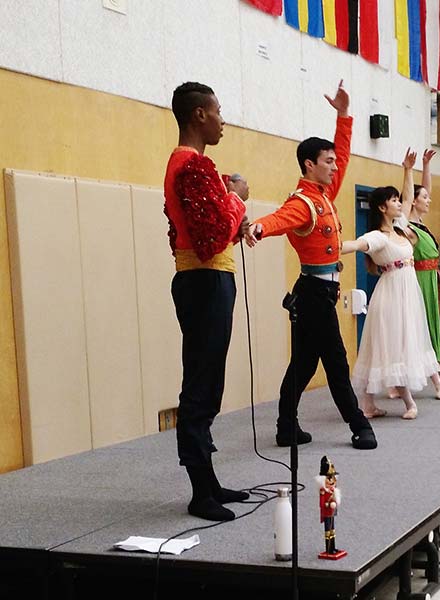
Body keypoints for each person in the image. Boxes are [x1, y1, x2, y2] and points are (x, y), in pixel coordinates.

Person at [247, 80, 376, 450]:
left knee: (303, 365)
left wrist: (343, 116)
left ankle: (286, 426)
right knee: (335, 361)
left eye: (334, 162)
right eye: (328, 162)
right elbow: (279, 219)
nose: (336, 167)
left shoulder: (325, 195)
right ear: (310, 164)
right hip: (315, 295)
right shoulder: (304, 201)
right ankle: (359, 425)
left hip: (317, 293)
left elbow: (345, 155)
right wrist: (257, 227)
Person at [164, 82, 250, 522]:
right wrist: (235, 198)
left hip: (203, 279)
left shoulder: (190, 167)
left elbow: (209, 228)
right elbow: (212, 236)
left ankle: (209, 482)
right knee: (201, 385)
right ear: (199, 115)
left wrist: (229, 205)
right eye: (217, 111)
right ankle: (200, 490)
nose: (222, 119)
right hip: (205, 280)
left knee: (208, 381)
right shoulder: (193, 166)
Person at [341, 156, 440, 420]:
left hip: (407, 292)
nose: (399, 203)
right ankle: (407, 402)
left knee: (400, 341)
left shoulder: (400, 228)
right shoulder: (378, 236)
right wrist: (332, 245)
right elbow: (357, 245)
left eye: (397, 199)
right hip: (391, 294)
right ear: (383, 207)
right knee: (390, 344)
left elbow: (409, 199)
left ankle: (369, 404)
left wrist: (407, 170)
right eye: (393, 200)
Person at [404, 149, 440, 399]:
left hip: (430, 279)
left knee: (429, 327)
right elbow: (413, 193)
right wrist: (409, 171)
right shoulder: (408, 225)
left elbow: (424, 188)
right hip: (418, 280)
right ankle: (435, 380)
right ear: (414, 202)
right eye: (424, 198)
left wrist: (426, 164)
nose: (429, 200)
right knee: (420, 329)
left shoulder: (420, 222)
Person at [316, 456, 346, 559]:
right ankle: (329, 548)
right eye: (329, 478)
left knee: (332, 530)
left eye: (333, 478)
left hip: (332, 511)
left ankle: (333, 547)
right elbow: (322, 503)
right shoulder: (323, 491)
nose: (332, 481)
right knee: (328, 530)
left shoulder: (333, 490)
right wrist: (328, 504)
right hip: (327, 511)